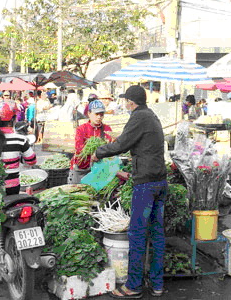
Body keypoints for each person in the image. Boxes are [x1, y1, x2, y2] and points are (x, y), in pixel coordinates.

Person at [91, 85, 167, 298]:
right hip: (160, 181)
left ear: (131, 102)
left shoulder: (139, 117)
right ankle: (157, 284)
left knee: (137, 233)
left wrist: (99, 152)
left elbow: (122, 144)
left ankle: (133, 286)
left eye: (126, 101)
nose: (125, 104)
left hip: (146, 184)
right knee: (157, 234)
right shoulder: (151, 115)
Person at [68, 100, 113, 184]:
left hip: (99, 168)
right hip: (82, 167)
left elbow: (110, 147)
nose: (99, 117)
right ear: (89, 113)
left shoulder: (106, 129)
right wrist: (93, 153)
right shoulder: (81, 129)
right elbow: (79, 148)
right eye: (96, 114)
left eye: (101, 114)